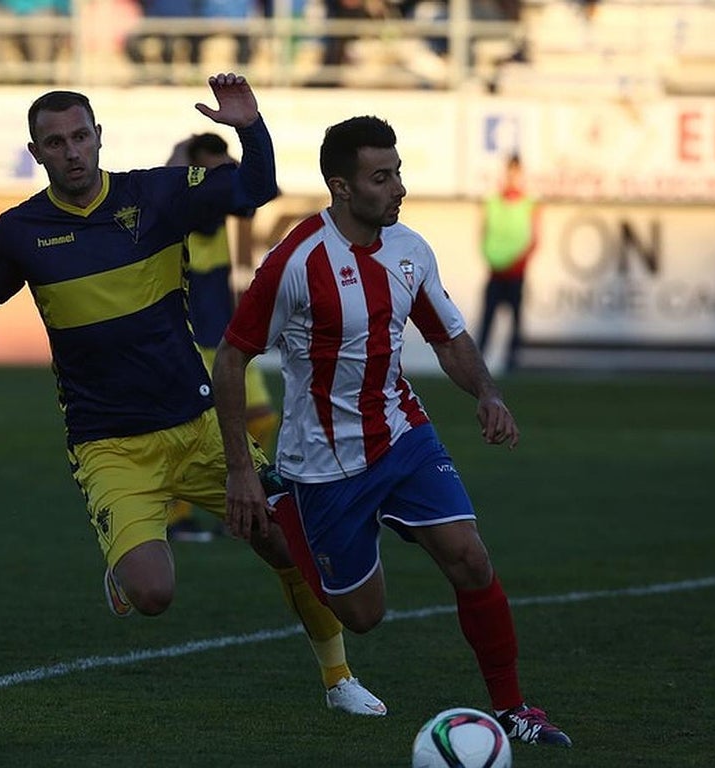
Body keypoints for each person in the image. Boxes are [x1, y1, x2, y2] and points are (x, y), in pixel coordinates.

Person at [0, 74, 385, 717]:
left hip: (200, 422)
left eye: (81, 136)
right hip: (109, 444)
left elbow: (254, 187)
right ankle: (125, 570)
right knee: (154, 594)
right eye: (55, 142)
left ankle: (338, 679)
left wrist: (249, 125)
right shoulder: (19, 232)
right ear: (36, 152)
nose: (72, 151)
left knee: (284, 541)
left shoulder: (156, 195)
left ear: (99, 137)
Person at [212, 115, 572, 746]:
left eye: (398, 172)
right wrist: (240, 469)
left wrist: (487, 393)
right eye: (381, 177)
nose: (397, 187)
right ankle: (280, 503)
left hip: (403, 435)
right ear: (341, 188)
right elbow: (232, 357)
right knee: (363, 615)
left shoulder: (411, 250)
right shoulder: (296, 260)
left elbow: (449, 337)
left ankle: (515, 709)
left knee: (470, 557)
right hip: (322, 465)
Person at [163, 132, 279, 543]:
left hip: (224, 329)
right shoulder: (184, 196)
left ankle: (240, 500)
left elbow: (266, 189)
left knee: (262, 417)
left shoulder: (221, 191)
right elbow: (173, 180)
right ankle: (177, 517)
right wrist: (181, 155)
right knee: (187, 428)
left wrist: (228, 158)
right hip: (190, 332)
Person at [477, 152, 537, 374]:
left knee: (516, 323)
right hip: (495, 271)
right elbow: (484, 232)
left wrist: (516, 262)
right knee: (487, 321)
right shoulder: (493, 201)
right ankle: (477, 365)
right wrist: (492, 258)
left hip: (517, 273)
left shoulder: (529, 202)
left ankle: (513, 363)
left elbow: (534, 239)